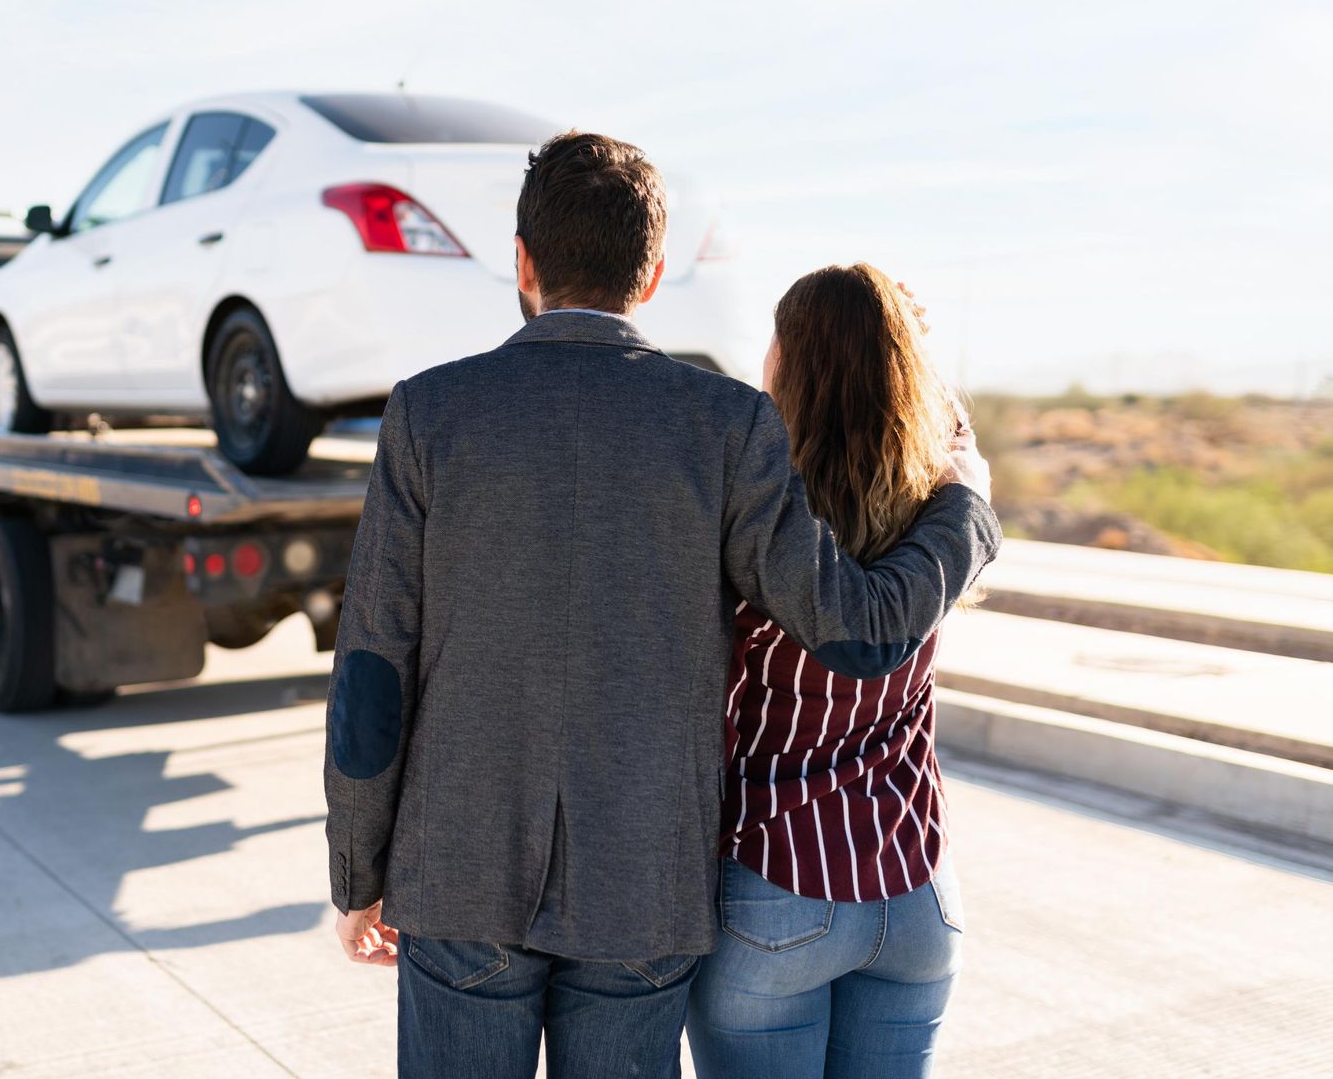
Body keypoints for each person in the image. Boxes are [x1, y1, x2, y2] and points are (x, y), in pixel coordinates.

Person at [321, 130, 1001, 1078]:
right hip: (643, 888)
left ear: (522, 263)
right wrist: (965, 505)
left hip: (460, 877)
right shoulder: (729, 424)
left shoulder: (427, 413)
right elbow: (857, 629)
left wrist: (359, 869)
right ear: (653, 275)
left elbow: (370, 671)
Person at [685, 264, 975, 1078]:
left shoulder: (759, 525)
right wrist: (910, 349)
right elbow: (957, 444)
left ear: (787, 363)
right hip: (915, 891)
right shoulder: (936, 520)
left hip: (777, 890)